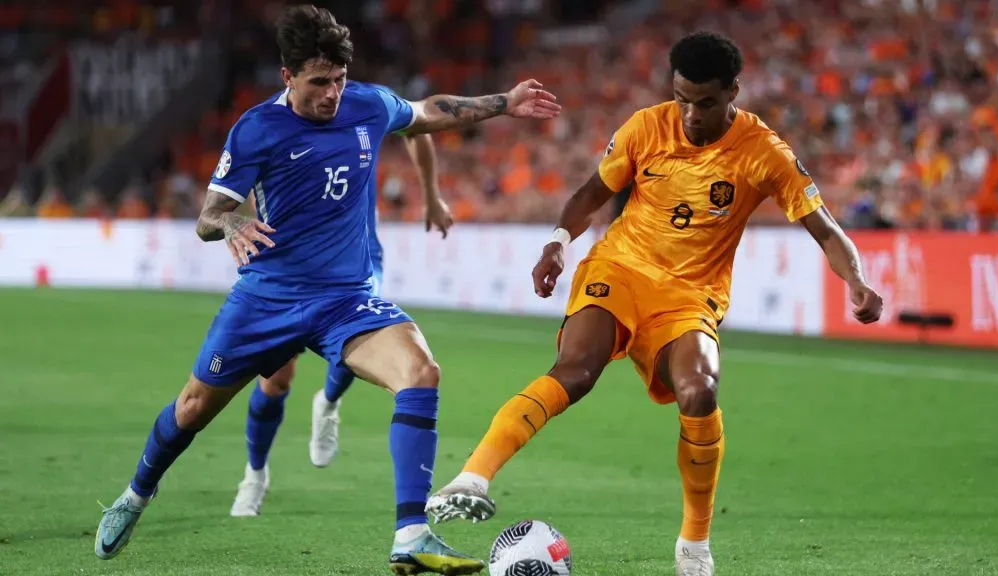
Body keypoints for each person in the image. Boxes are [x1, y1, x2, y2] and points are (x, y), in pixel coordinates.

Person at [93, 5, 560, 575]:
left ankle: (411, 534)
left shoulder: (366, 103)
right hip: (269, 299)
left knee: (421, 371)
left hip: (345, 299)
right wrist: (233, 221)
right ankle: (136, 493)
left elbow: (427, 113)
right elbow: (207, 215)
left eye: (338, 79)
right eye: (319, 83)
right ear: (288, 77)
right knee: (191, 409)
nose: (332, 93)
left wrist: (503, 104)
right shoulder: (257, 128)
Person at [425, 31, 883, 576]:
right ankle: (471, 478)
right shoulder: (646, 126)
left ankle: (694, 543)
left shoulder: (764, 153)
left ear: (734, 90)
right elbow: (591, 194)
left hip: (690, 296)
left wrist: (855, 280)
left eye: (706, 102)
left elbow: (826, 229)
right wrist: (556, 242)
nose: (689, 113)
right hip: (619, 269)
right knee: (576, 370)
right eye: (682, 97)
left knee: (700, 390)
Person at [230, 110, 454, 519]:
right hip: (291, 270)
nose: (331, 89)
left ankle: (329, 402)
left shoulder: (364, 107)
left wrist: (431, 193)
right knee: (277, 378)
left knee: (362, 342)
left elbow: (419, 124)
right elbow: (238, 192)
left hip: (358, 263)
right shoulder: (270, 123)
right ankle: (255, 474)